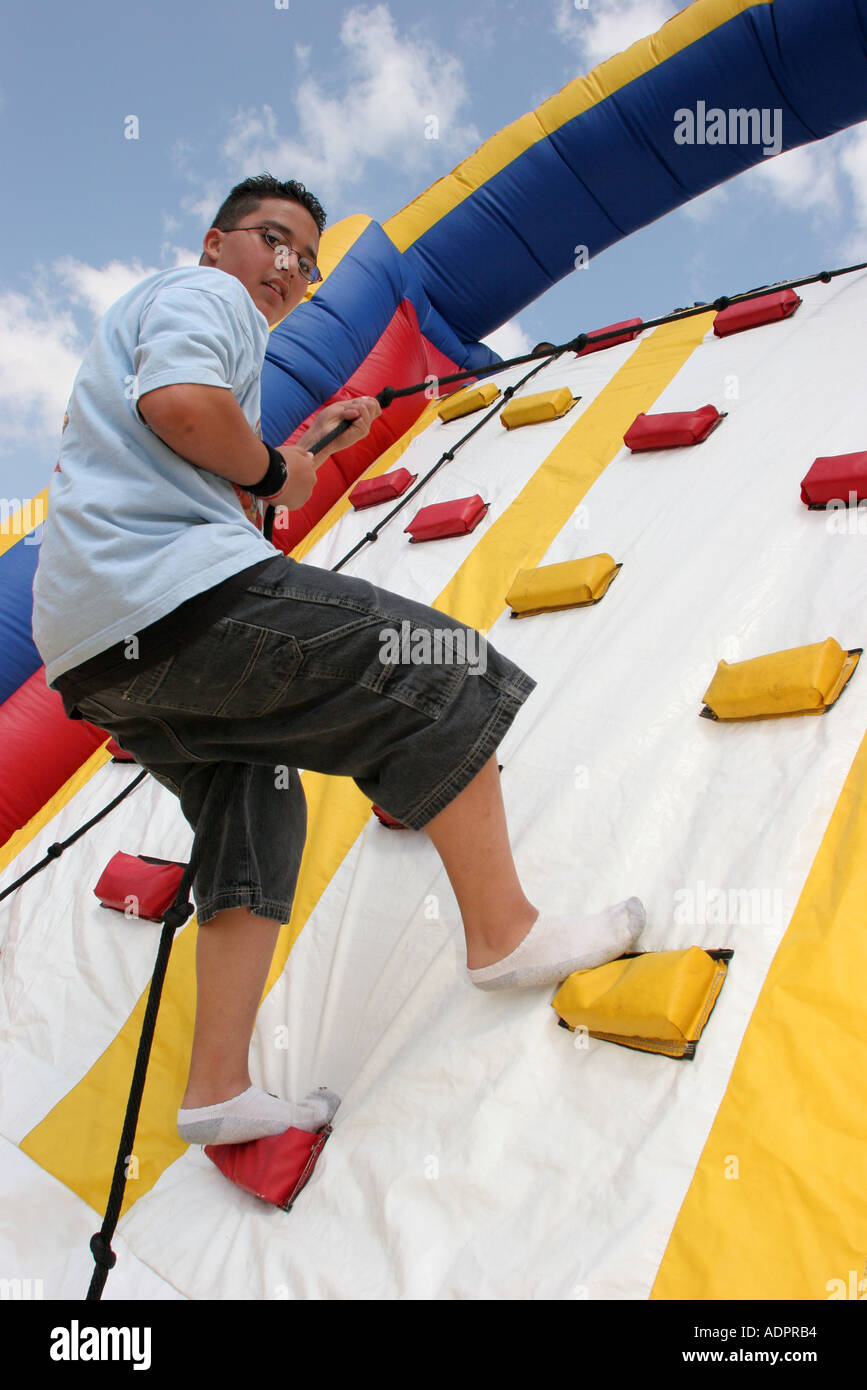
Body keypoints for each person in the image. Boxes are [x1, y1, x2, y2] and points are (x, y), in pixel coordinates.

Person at [31, 174, 645, 1148]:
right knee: (439, 665)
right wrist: (276, 470)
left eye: (307, 259)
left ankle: (219, 1089)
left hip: (97, 652)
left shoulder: (160, 332)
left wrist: (295, 457)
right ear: (214, 244)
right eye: (272, 240)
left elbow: (207, 471)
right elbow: (186, 407)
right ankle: (505, 933)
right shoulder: (206, 299)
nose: (289, 269)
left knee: (254, 802)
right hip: (160, 595)